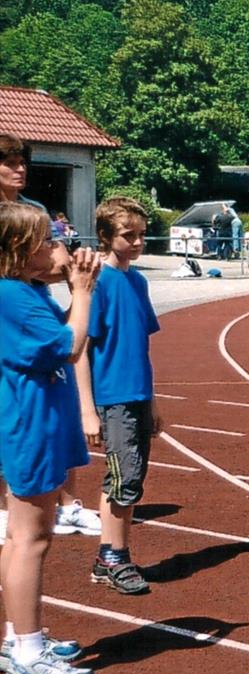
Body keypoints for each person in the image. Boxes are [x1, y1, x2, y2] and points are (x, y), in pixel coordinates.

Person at [0, 202, 100, 674]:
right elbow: (71, 346)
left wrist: (72, 290)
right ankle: (28, 652)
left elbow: (58, 332)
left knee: (20, 536)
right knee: (31, 539)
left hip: (34, 421)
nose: (57, 248)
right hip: (30, 426)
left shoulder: (24, 290)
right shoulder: (11, 295)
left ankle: (17, 639)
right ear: (18, 252)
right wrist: (80, 291)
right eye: (45, 241)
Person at [0, 135, 97, 536]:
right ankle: (12, 509)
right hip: (13, 313)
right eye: (9, 162)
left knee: (57, 407)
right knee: (20, 412)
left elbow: (50, 262)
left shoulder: (34, 209)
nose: (19, 168)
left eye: (22, 161)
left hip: (33, 302)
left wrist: (69, 276)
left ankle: (67, 502)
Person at [78, 197, 163, 596]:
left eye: (142, 235)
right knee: (122, 478)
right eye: (129, 236)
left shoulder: (138, 281)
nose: (138, 242)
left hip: (138, 394)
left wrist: (154, 401)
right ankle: (115, 556)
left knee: (130, 478)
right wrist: (87, 413)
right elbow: (80, 351)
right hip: (112, 398)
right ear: (107, 238)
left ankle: (108, 556)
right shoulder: (100, 284)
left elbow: (142, 347)